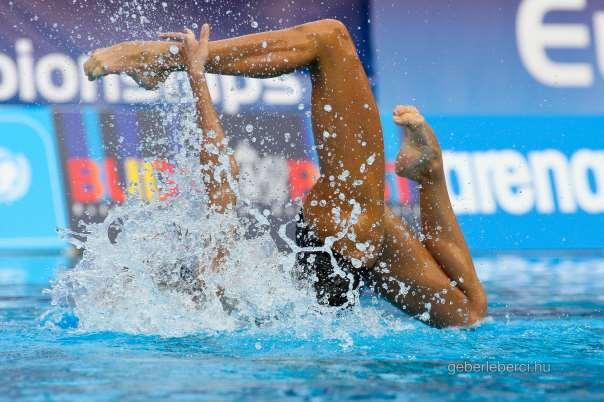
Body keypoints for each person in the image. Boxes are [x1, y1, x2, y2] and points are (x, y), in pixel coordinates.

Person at [84, 19, 487, 328]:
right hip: (330, 258)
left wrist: (197, 81)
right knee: (331, 39)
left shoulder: (213, 295)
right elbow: (220, 179)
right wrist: (194, 75)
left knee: (467, 312)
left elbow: (220, 182)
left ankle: (429, 174)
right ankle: (162, 57)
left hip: (329, 270)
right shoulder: (215, 276)